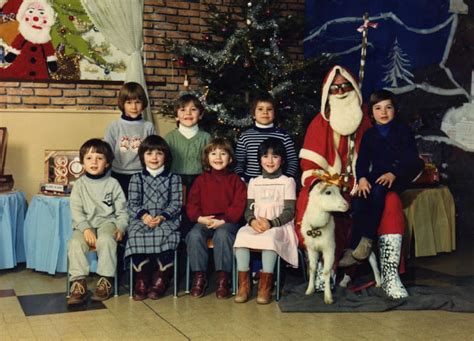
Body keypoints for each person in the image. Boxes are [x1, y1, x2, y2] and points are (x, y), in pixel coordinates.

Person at [296, 65, 409, 299]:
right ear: (328, 93)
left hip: (364, 186)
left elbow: (385, 159)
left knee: (391, 201)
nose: (340, 92)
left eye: (346, 86)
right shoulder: (320, 122)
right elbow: (309, 166)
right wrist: (324, 185)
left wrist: (365, 178)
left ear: (355, 88)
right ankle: (321, 270)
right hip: (332, 187)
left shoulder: (368, 121)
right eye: (335, 88)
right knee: (309, 198)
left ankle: (389, 273)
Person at [339, 90, 423, 266]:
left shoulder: (403, 130)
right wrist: (362, 178)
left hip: (398, 174)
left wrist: (394, 173)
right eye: (378, 108)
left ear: (395, 110)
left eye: (388, 107)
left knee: (378, 192)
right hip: (377, 175)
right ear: (371, 112)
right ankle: (353, 247)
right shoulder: (370, 135)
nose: (383, 112)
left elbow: (412, 159)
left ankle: (368, 239)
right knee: (360, 198)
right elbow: (362, 162)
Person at [233, 138, 299, 304]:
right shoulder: (254, 182)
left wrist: (271, 223)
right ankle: (244, 286)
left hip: (279, 225)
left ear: (282, 159)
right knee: (241, 235)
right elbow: (248, 209)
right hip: (257, 223)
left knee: (269, 239)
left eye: (275, 156)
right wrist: (252, 221)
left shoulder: (287, 182)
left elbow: (290, 212)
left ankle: (265, 287)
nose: (270, 161)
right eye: (265, 156)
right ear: (259, 159)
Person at [67, 138, 128, 305]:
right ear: (82, 162)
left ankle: (105, 280)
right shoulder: (79, 185)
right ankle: (78, 282)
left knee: (107, 240)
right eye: (89, 158)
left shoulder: (113, 184)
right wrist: (85, 229)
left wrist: (121, 227)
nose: (94, 162)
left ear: (107, 163)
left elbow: (122, 210)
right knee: (75, 244)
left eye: (99, 158)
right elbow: (76, 211)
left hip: (107, 223)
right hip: (84, 225)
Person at [185, 138, 247, 299]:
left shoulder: (236, 181)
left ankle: (223, 278)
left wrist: (224, 220)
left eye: (223, 153)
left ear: (230, 158)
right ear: (207, 159)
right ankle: (199, 276)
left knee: (222, 235)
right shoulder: (200, 180)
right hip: (205, 220)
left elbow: (238, 205)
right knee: (194, 235)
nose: (218, 157)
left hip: (227, 222)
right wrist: (200, 219)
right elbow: (192, 204)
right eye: (213, 153)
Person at [124, 135, 182, 300]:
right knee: (135, 234)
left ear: (166, 156)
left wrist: (163, 217)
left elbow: (176, 204)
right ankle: (141, 279)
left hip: (166, 219)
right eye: (149, 153)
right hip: (142, 219)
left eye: (159, 153)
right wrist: (144, 216)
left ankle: (160, 279)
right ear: (142, 156)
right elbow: (132, 203)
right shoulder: (136, 179)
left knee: (168, 235)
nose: (154, 157)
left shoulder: (174, 178)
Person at [104, 82, 156, 197]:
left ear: (143, 104)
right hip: (118, 174)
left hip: (141, 175)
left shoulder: (148, 126)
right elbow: (107, 153)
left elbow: (153, 152)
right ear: (122, 104)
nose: (134, 107)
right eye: (129, 102)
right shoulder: (114, 126)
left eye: (137, 102)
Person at [234, 94, 298, 182]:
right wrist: (242, 177)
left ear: (274, 114)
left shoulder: (283, 136)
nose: (265, 112)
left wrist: (287, 177)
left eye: (269, 109)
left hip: (277, 182)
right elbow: (239, 161)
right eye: (260, 109)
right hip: (250, 182)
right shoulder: (245, 136)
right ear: (253, 114)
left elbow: (292, 160)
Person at [164, 94, 212, 191]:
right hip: (175, 180)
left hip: (199, 180)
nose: (188, 113)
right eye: (183, 110)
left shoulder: (206, 138)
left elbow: (210, 163)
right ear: (176, 116)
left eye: (193, 109)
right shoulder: (170, 138)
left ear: (200, 115)